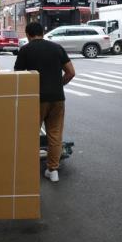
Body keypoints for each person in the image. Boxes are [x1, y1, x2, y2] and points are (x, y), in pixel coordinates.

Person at [14, 22, 75, 183]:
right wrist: (58, 84)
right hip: (57, 98)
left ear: (28, 35)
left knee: (30, 134)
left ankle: (27, 169)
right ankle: (53, 170)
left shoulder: (25, 50)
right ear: (42, 32)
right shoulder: (56, 48)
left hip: (35, 98)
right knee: (55, 135)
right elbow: (71, 72)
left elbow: (18, 76)